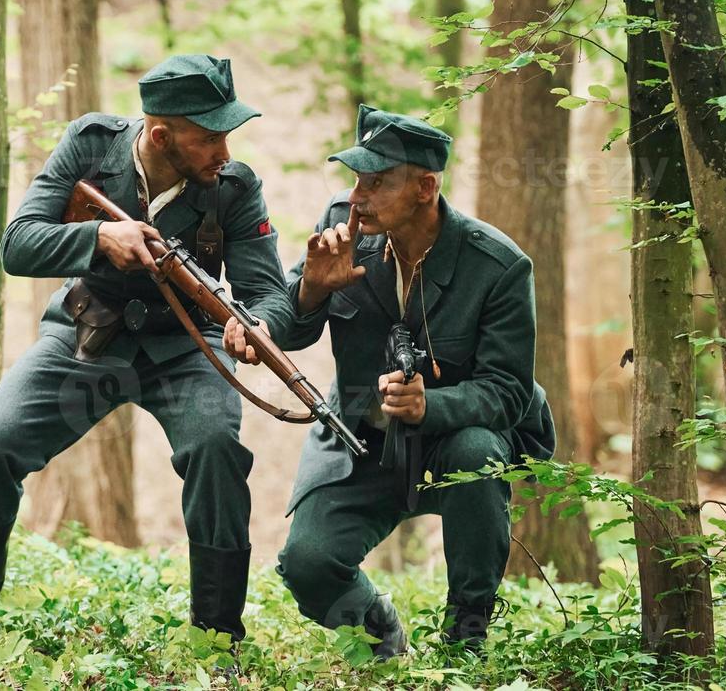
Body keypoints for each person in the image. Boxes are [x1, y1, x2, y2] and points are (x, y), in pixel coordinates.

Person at [0, 54, 293, 644]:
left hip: (187, 348)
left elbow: (267, 290)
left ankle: (218, 634)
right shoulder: (90, 145)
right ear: (160, 135)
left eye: (227, 136)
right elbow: (18, 244)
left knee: (216, 451)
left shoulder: (235, 189)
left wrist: (256, 322)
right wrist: (99, 236)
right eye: (209, 138)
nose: (225, 153)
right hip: (87, 332)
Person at [224, 104, 556, 654]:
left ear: (425, 187)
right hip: (361, 439)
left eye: (378, 184)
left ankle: (465, 635)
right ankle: (382, 634)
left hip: (456, 438)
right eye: (357, 179)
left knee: (478, 450)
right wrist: (311, 289)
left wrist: (434, 406)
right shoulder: (345, 227)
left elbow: (510, 391)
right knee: (307, 564)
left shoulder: (497, 266)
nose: (358, 197)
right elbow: (289, 318)